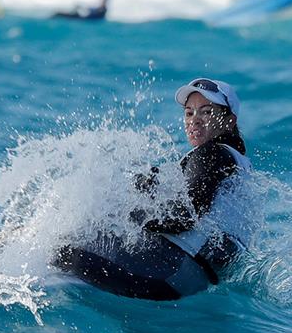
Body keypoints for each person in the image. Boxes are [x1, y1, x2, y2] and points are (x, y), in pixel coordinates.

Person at [54, 78, 252, 300]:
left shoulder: (210, 155)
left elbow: (183, 217)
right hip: (192, 282)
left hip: (164, 269)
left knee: (56, 242)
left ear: (228, 121)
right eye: (189, 113)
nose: (194, 121)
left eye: (206, 112)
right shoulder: (238, 164)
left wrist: (130, 216)